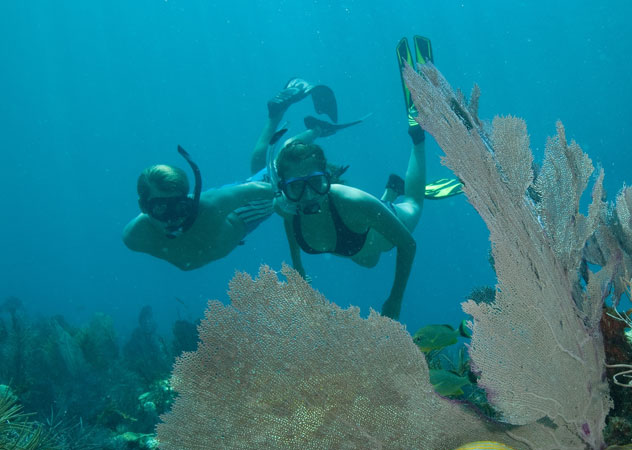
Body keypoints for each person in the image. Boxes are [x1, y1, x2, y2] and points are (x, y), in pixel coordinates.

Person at [271, 36, 439, 320]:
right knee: (368, 262)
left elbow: (408, 244)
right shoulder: (286, 206)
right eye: (297, 187)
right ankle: (390, 190)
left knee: (414, 203)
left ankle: (417, 136)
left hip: (376, 221)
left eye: (315, 183)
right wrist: (298, 270)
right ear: (285, 189)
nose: (309, 195)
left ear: (327, 178)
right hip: (358, 246)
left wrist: (395, 298)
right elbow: (290, 222)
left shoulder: (353, 201)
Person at [122, 79, 350, 271]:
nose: (174, 218)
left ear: (190, 198)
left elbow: (262, 187)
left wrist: (310, 182)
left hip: (242, 214)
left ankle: (314, 131)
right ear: (143, 207)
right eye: (161, 209)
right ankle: (279, 115)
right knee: (259, 165)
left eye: (181, 207)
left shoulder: (210, 205)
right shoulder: (134, 236)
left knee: (279, 168)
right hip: (231, 215)